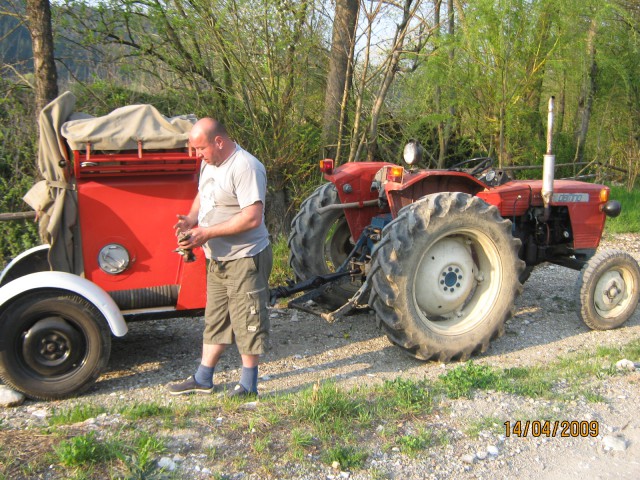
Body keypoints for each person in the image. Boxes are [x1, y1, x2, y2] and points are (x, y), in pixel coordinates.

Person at [167, 117, 272, 398]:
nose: (197, 155)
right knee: (215, 319)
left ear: (219, 141)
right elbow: (203, 194)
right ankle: (203, 378)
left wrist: (208, 233)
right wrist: (190, 220)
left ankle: (249, 386)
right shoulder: (209, 163)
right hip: (218, 259)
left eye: (200, 148)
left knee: (248, 319)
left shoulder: (246, 166)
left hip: (245, 257)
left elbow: (252, 217)